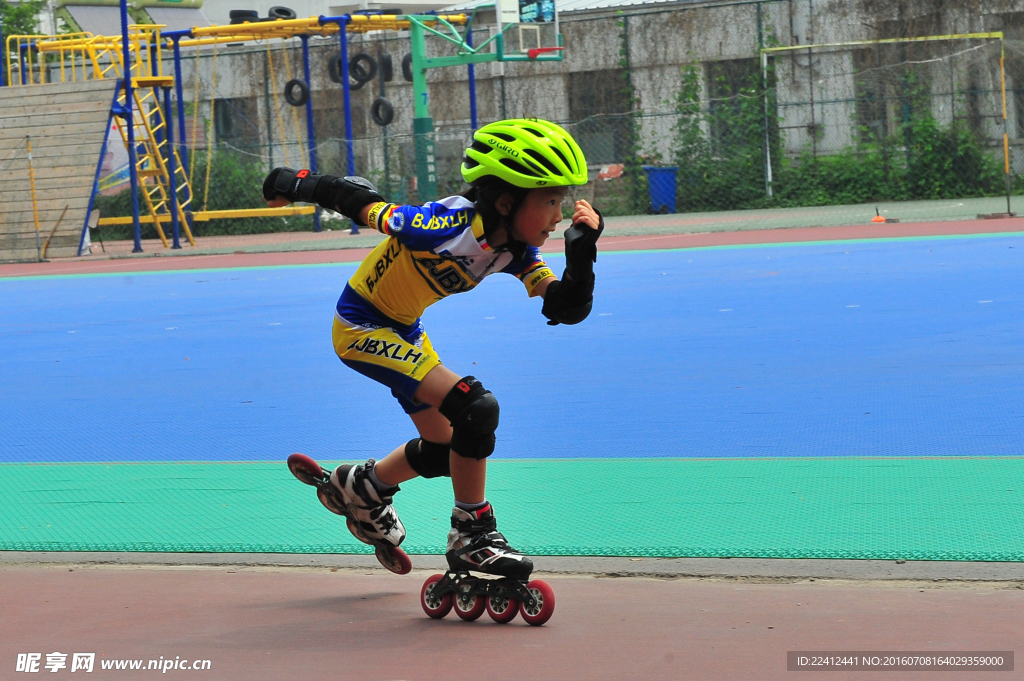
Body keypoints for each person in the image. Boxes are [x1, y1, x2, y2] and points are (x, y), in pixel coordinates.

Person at [264, 119, 603, 580]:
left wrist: (581, 256)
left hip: (404, 331)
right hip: (360, 326)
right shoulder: (442, 225)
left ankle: (363, 487)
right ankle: (472, 534)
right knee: (476, 410)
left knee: (449, 451)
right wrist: (293, 183)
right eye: (549, 200)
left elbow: (565, 308)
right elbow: (356, 199)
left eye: (560, 200)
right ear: (506, 201)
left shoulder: (515, 250)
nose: (558, 214)